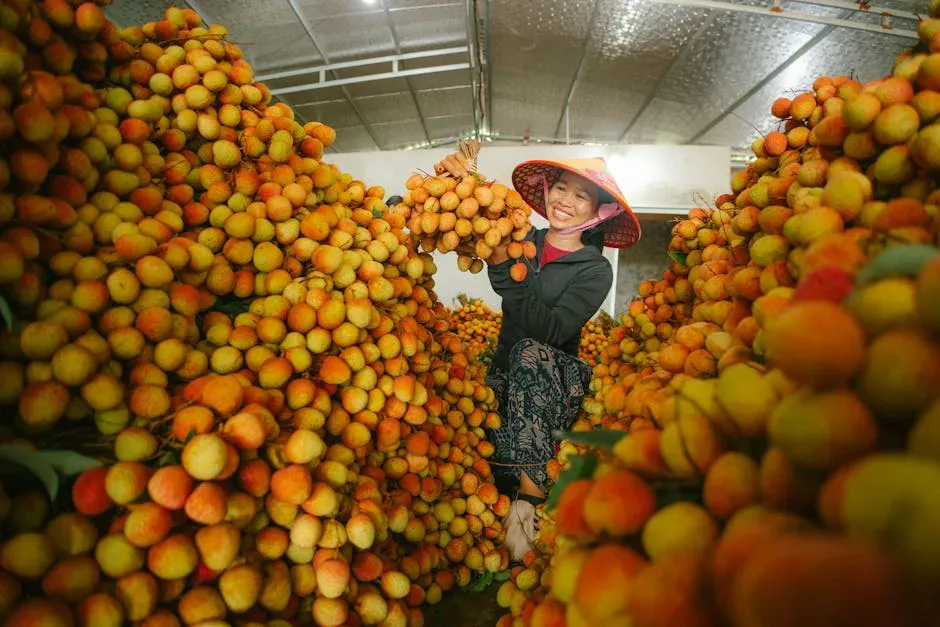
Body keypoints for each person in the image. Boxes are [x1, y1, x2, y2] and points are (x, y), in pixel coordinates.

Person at [434, 152, 641, 560]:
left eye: (580, 195)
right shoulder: (523, 240)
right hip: (507, 375)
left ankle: (528, 501)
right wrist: (465, 185)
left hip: (554, 380)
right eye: (560, 187)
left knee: (531, 350)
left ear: (600, 212)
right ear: (547, 191)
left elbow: (551, 331)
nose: (565, 199)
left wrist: (501, 267)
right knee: (472, 416)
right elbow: (481, 228)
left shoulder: (595, 270)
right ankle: (511, 480)